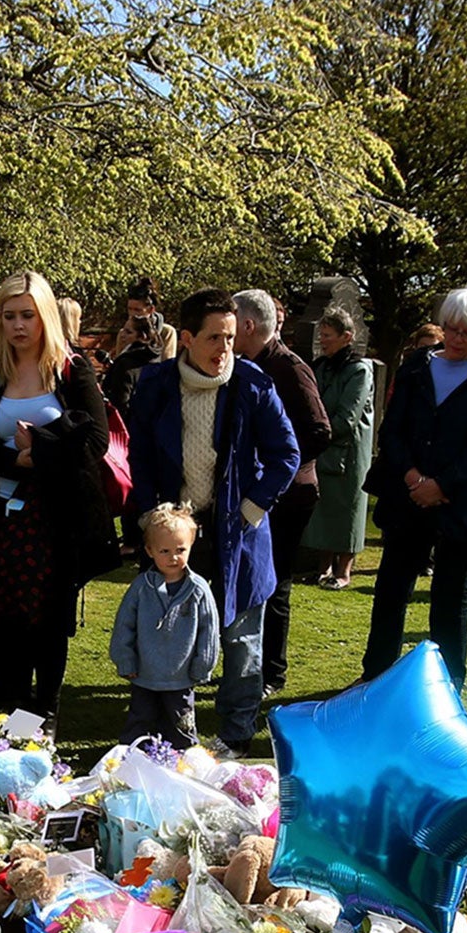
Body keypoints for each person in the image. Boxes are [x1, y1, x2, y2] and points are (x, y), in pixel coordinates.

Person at [126, 287, 300, 754]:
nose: (225, 349)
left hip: (239, 531)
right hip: (175, 531)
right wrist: (150, 513)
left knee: (242, 637)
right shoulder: (156, 385)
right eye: (214, 338)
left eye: (230, 337)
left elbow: (287, 454)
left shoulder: (253, 383)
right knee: (167, 630)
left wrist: (253, 508)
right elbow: (137, 455)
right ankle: (164, 728)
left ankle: (236, 734)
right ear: (186, 338)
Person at [0, 271, 118, 723]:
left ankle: (44, 712)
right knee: (3, 614)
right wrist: (20, 462)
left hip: (57, 516)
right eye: (8, 316)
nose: (18, 325)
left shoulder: (70, 369)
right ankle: (11, 711)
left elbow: (95, 441)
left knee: (48, 619)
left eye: (27, 315)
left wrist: (43, 454)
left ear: (45, 316)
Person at [361, 283, 467, 691]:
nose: (459, 340)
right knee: (392, 590)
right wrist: (413, 477)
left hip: (461, 500)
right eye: (453, 330)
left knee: (450, 597)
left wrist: (442, 485)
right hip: (408, 493)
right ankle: (374, 677)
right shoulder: (416, 366)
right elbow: (393, 429)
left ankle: (450, 685)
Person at [233, 288, 332, 697]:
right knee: (252, 581)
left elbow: (318, 431)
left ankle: (271, 672)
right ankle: (249, 665)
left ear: (249, 325)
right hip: (261, 490)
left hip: (289, 495)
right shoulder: (246, 365)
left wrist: (279, 467)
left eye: (231, 323)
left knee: (274, 584)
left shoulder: (288, 368)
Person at [110, 502, 220, 747]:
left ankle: (182, 769)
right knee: (139, 722)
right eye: (165, 551)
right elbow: (124, 626)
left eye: (181, 549)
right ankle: (131, 763)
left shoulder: (198, 589)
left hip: (181, 677)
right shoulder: (141, 588)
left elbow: (208, 631)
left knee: (181, 726)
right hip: (145, 674)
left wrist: (202, 666)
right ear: (149, 550)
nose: (173, 557)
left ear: (191, 547)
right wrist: (125, 659)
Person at [301, 307, 376, 591]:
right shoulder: (321, 367)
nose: (323, 341)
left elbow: (348, 416)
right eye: (321, 335)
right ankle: (322, 568)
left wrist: (318, 432)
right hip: (323, 446)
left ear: (346, 337)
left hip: (348, 451)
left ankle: (343, 570)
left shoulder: (359, 370)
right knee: (324, 509)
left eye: (328, 336)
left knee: (347, 509)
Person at [103, 276, 178, 412]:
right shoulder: (124, 333)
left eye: (137, 310)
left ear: (150, 310)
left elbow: (167, 369)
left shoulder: (166, 333)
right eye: (129, 309)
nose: (132, 314)